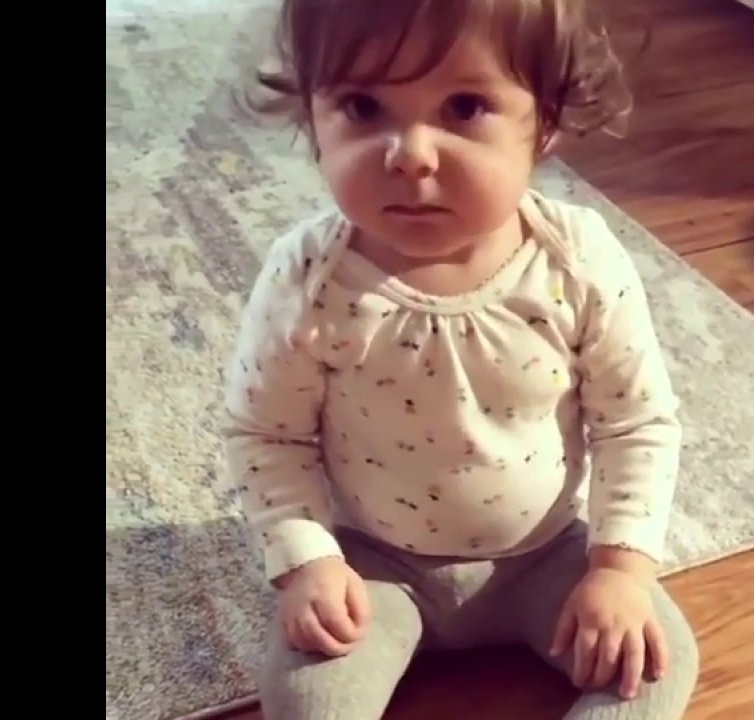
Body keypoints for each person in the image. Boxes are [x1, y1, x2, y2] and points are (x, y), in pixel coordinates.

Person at [222, 1, 700, 718]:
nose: (410, 153)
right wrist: (308, 563)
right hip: (374, 565)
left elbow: (636, 424)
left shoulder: (577, 262)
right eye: (362, 106)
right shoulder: (308, 279)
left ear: (546, 120)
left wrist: (619, 572)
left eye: (465, 106)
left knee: (654, 661)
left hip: (546, 558)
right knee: (305, 697)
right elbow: (267, 434)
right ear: (313, 118)